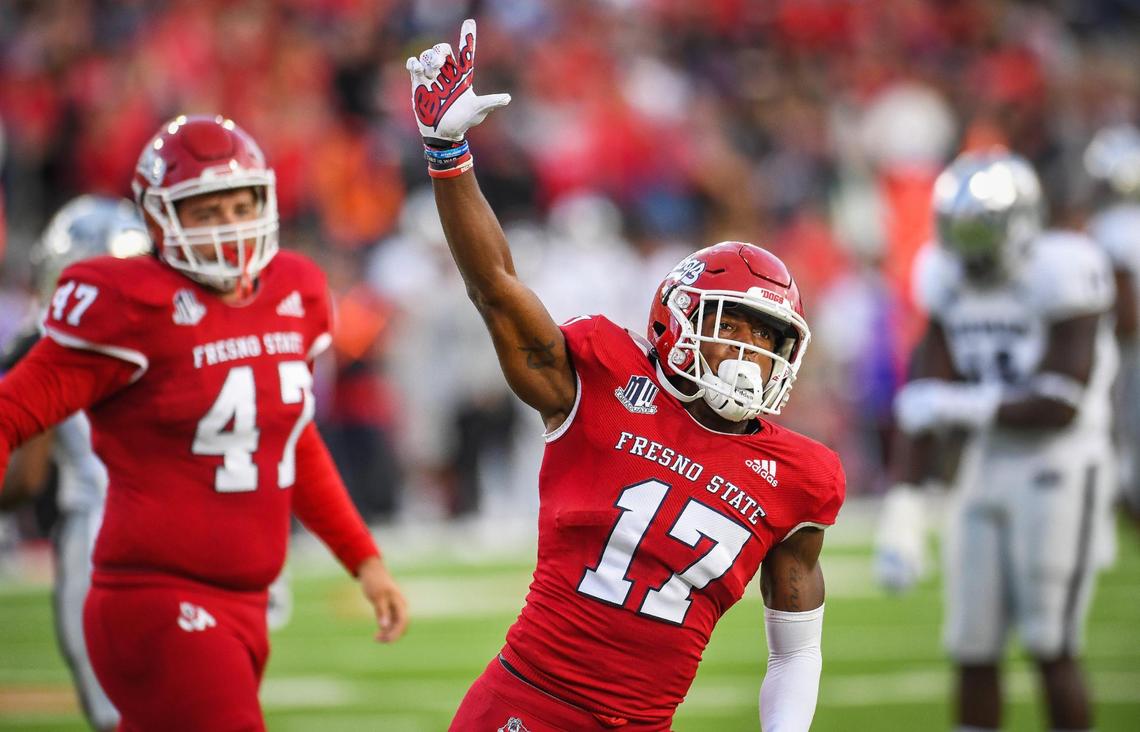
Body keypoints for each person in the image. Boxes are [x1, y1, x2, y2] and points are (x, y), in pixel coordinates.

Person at [406, 21, 845, 731]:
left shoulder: (800, 475)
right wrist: (448, 156)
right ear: (678, 318)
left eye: (768, 338)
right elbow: (495, 288)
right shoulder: (604, 376)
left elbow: (795, 655)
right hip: (523, 705)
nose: (747, 351)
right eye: (731, 324)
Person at [0, 114, 408, 731]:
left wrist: (363, 558)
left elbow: (291, 442)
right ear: (160, 220)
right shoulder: (125, 301)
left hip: (247, 603)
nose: (229, 229)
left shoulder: (293, 289)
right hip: (156, 598)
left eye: (242, 206)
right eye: (205, 212)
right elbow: (12, 411)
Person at [877, 149, 1118, 732]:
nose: (970, 252)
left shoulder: (1065, 268)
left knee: (1049, 640)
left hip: (1059, 466)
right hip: (986, 465)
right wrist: (904, 506)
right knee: (972, 641)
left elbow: (1063, 400)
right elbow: (925, 393)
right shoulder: (942, 274)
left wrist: (957, 404)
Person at [0, 194, 151, 731]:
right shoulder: (173, 333)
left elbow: (25, 479)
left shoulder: (46, 344)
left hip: (100, 543)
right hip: (184, 536)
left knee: (120, 719)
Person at [1084, 123, 1140, 524]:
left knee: (1123, 421)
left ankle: (1126, 492)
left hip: (1128, 342)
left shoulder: (1111, 227)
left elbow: (1125, 304)